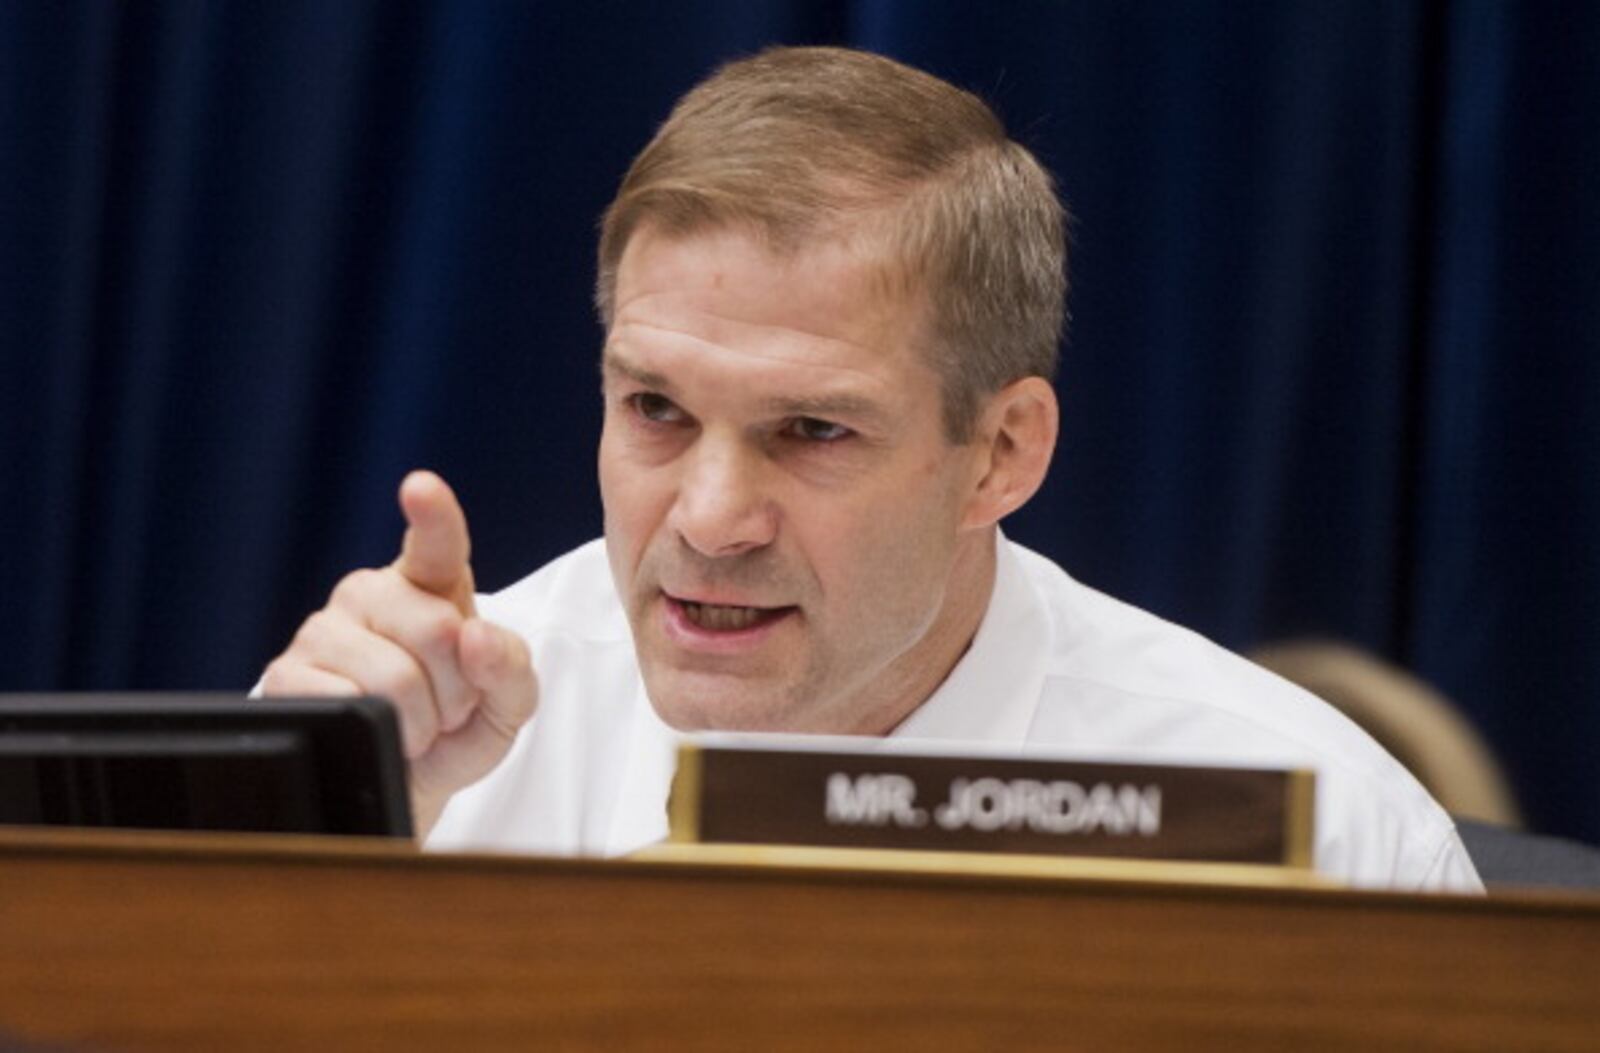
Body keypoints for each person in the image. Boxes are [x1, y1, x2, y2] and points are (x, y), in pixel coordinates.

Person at [261, 46, 1481, 891]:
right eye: (655, 409)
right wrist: (302, 863)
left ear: (1001, 454)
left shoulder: (1319, 832)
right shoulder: (416, 745)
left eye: (814, 431)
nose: (711, 518)